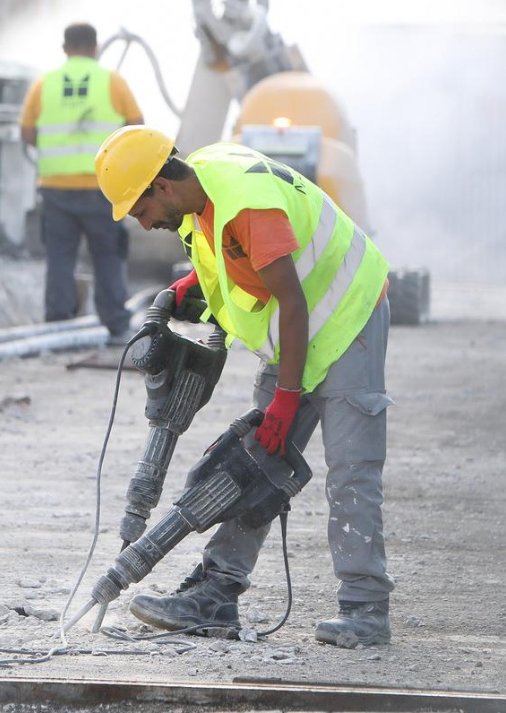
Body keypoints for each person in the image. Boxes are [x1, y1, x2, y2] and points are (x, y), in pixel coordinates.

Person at [94, 125, 395, 647]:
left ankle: (365, 608)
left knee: (350, 469)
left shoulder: (244, 205)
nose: (143, 223)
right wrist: (193, 288)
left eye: (139, 211)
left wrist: (285, 398)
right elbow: (235, 266)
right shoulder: (200, 194)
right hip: (295, 332)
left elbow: (295, 300)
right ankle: (215, 593)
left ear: (161, 186)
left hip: (346, 317)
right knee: (252, 463)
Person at [20, 23, 144, 344]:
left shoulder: (43, 85)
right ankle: (117, 326)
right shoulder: (113, 82)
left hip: (56, 188)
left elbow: (27, 133)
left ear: (64, 48)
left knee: (60, 257)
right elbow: (136, 129)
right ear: (95, 47)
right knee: (108, 255)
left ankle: (58, 326)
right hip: (102, 188)